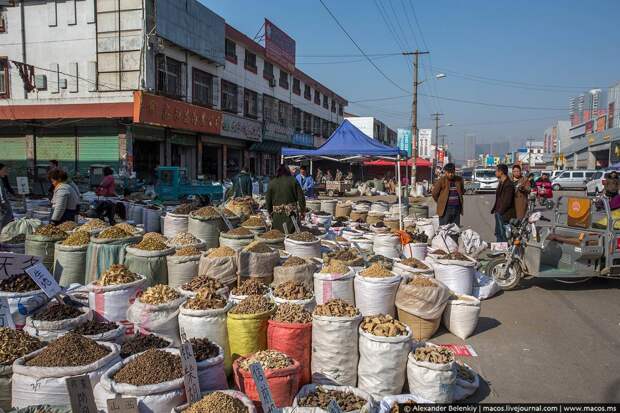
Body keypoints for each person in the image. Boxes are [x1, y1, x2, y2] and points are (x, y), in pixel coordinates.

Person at [266, 164, 306, 234]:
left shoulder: (272, 183)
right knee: (292, 238)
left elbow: (268, 201)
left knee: (278, 236)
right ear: (288, 171)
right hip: (291, 216)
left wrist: (270, 213)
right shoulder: (293, 181)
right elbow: (301, 198)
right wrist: (303, 211)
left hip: (277, 216)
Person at [491, 164, 515, 242]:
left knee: (502, 233)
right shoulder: (501, 183)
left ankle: (504, 250)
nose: (495, 173)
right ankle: (499, 249)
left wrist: (500, 212)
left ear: (501, 172)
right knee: (498, 232)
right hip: (499, 212)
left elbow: (507, 201)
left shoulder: (509, 184)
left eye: (496, 171)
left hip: (504, 213)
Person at [0, 164, 14, 231]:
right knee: (7, 215)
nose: (6, 173)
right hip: (3, 203)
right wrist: (4, 203)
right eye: (4, 170)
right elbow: (1, 194)